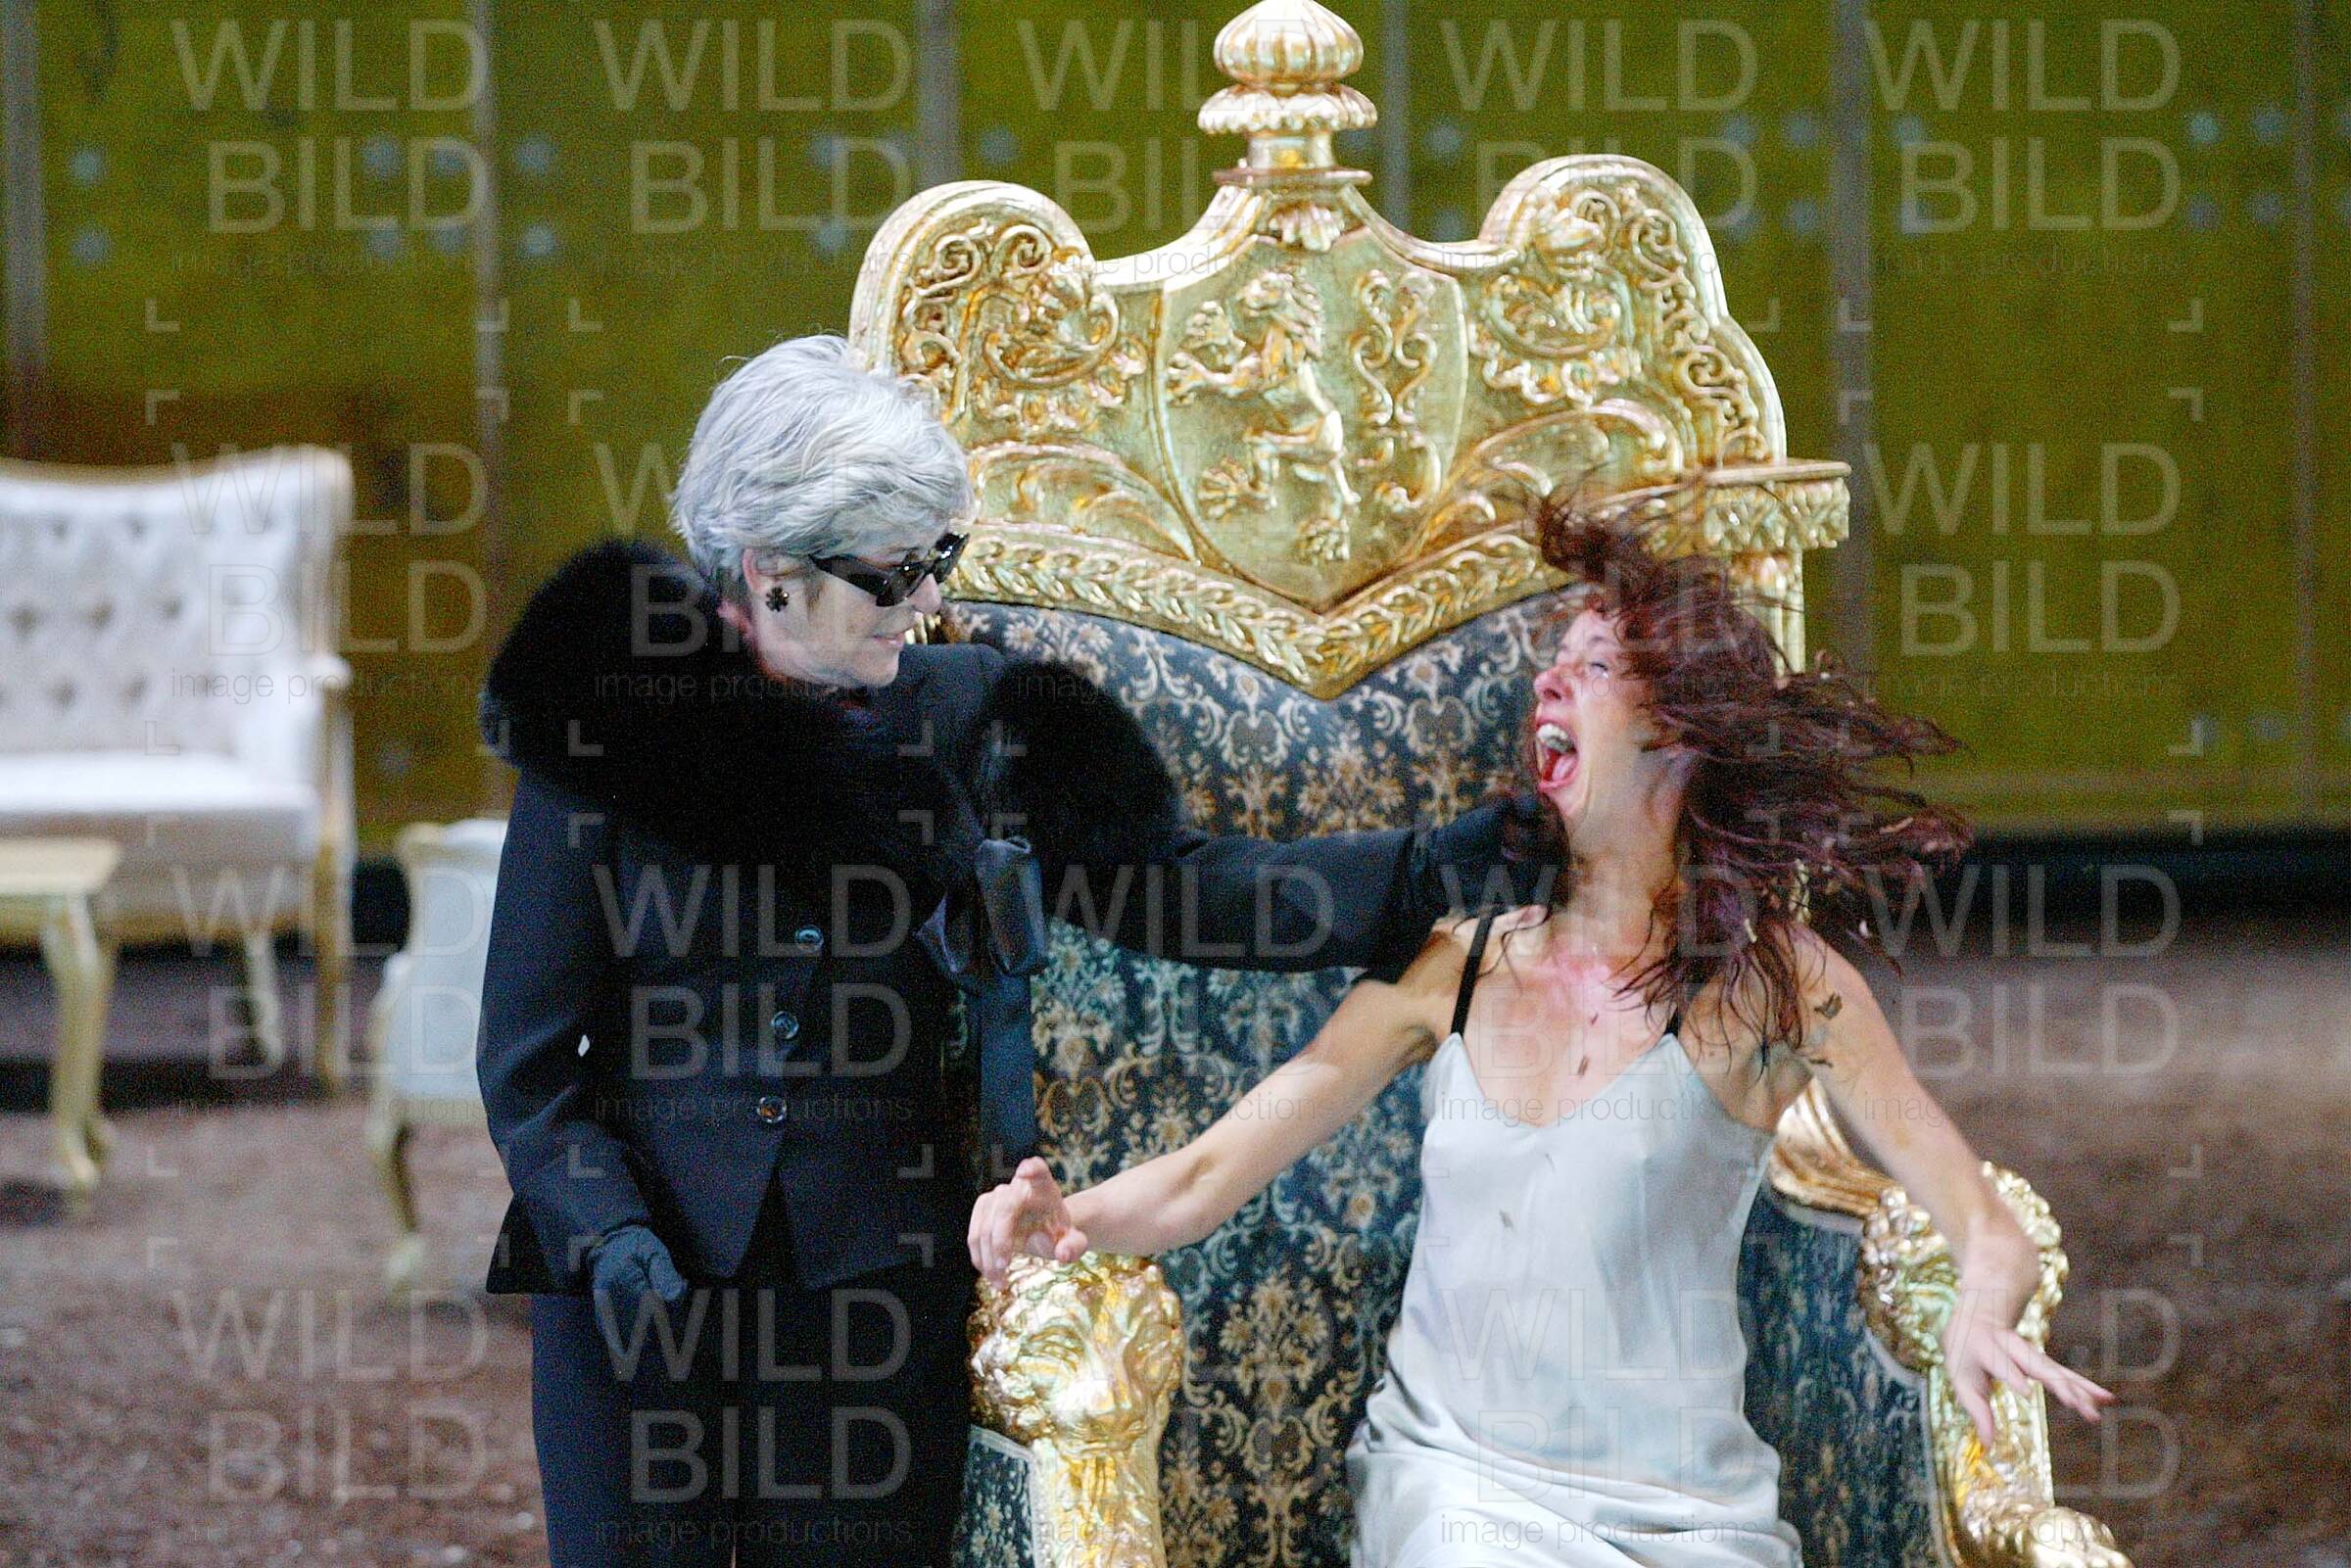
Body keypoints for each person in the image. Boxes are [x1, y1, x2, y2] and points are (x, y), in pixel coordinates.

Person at [473, 334, 1529, 1567]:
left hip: (872, 1298)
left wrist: (1433, 866)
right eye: (892, 575)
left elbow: (1179, 889)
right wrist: (611, 1239)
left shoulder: (971, 716)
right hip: (635, 1293)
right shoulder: (612, 717)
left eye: (940, 562)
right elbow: (526, 1065)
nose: (926, 603)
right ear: (768, 570)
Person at [970, 492, 2117, 1567]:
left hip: (1693, 1520)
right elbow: (1206, 1174)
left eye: (1595, 664)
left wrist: (1982, 1299)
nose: (1547, 682)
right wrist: (1063, 1219)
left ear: (1679, 728)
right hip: (1457, 1493)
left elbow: (1985, 1222)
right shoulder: (1457, 964)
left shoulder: (1777, 986)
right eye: (1552, 661)